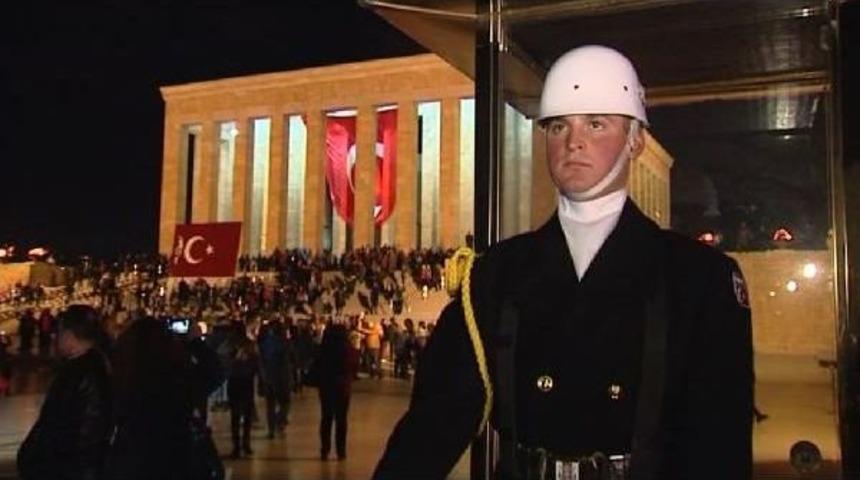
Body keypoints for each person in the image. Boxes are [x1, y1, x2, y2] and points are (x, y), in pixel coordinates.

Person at [372, 45, 753, 480]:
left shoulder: (698, 277)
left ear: (636, 140)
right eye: (558, 127)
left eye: (596, 123)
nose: (573, 142)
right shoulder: (496, 273)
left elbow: (717, 444)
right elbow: (434, 423)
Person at [105, 316, 223, 480]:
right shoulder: (177, 380)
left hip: (131, 457)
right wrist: (195, 342)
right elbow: (215, 373)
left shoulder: (121, 377)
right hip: (177, 454)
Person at [17, 305, 112, 480]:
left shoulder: (83, 373)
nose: (56, 338)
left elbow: (82, 431)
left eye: (59, 332)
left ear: (69, 335)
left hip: (66, 468)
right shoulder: (88, 368)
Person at [316, 323, 359, 460]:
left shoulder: (323, 349)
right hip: (343, 387)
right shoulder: (349, 350)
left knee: (326, 418)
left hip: (326, 386)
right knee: (342, 419)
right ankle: (341, 451)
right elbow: (354, 367)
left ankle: (325, 449)